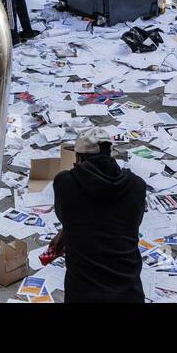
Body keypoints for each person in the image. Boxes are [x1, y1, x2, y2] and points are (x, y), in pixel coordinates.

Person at [49, 127, 146, 303]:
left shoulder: (65, 183)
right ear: (109, 154)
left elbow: (68, 216)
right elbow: (129, 224)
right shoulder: (137, 185)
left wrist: (66, 230)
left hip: (82, 293)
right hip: (128, 292)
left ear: (78, 158)